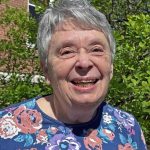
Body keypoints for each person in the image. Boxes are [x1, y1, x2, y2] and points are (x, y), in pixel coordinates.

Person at [0, 0, 147, 149]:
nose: (84, 62)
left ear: (111, 66)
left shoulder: (128, 128)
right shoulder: (5, 132)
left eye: (96, 49)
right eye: (67, 51)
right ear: (46, 70)